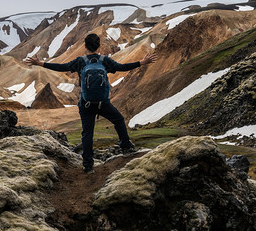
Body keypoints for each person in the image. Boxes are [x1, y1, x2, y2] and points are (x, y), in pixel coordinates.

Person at [25, 33, 158, 173]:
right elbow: (121, 67)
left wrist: (40, 63)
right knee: (118, 120)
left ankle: (88, 165)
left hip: (85, 104)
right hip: (103, 103)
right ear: (99, 45)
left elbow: (62, 67)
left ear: (84, 46)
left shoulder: (80, 61)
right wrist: (142, 62)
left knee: (87, 133)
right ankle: (126, 147)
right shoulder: (104, 60)